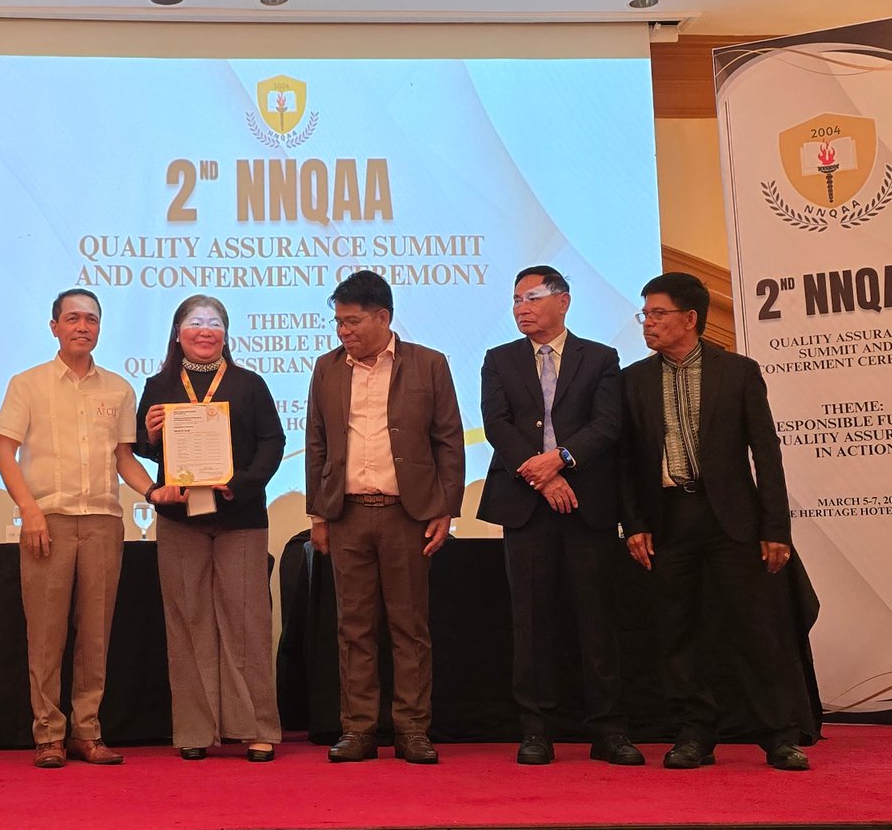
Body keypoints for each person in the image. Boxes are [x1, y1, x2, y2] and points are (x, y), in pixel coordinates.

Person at [620, 272, 810, 771]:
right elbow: (627, 461)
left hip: (732, 518)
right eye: (645, 314)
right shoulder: (634, 379)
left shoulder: (738, 372)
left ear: (690, 318)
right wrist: (633, 523)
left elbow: (766, 453)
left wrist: (775, 528)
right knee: (677, 632)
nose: (648, 323)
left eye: (658, 313)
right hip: (667, 519)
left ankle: (779, 735)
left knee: (755, 628)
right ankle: (693, 734)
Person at [0, 288, 182, 768]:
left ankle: (87, 731)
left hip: (103, 521)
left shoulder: (118, 389)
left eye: (91, 319)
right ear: (54, 326)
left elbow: (124, 459)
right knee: (46, 634)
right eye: (73, 318)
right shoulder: (27, 384)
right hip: (47, 520)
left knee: (95, 633)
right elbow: (5, 453)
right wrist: (29, 510)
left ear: (100, 328)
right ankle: (48, 735)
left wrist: (153, 491)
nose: (83, 327)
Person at [476, 267, 642, 767]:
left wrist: (562, 459)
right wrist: (543, 476)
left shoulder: (600, 357)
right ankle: (535, 730)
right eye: (515, 300)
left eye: (531, 298)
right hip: (526, 507)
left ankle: (609, 730)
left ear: (563, 301)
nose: (521, 308)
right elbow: (497, 425)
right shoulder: (500, 359)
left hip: (586, 505)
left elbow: (607, 424)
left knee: (597, 620)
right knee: (530, 621)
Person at [305, 270, 464, 765]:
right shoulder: (327, 368)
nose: (344, 331)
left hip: (407, 515)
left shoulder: (429, 364)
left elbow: (448, 440)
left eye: (352, 322)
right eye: (338, 322)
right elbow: (316, 443)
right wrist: (318, 513)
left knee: (409, 627)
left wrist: (446, 507)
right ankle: (358, 729)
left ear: (383, 317)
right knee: (353, 628)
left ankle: (412, 730)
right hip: (347, 514)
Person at [134, 295, 285, 763]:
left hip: (240, 516)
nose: (205, 330)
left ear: (226, 332)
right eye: (196, 322)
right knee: (187, 620)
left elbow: (273, 442)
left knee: (247, 621)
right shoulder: (158, 385)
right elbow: (145, 448)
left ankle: (256, 728)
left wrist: (239, 484)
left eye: (215, 323)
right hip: (180, 519)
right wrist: (150, 435)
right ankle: (194, 729)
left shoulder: (249, 383)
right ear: (178, 332)